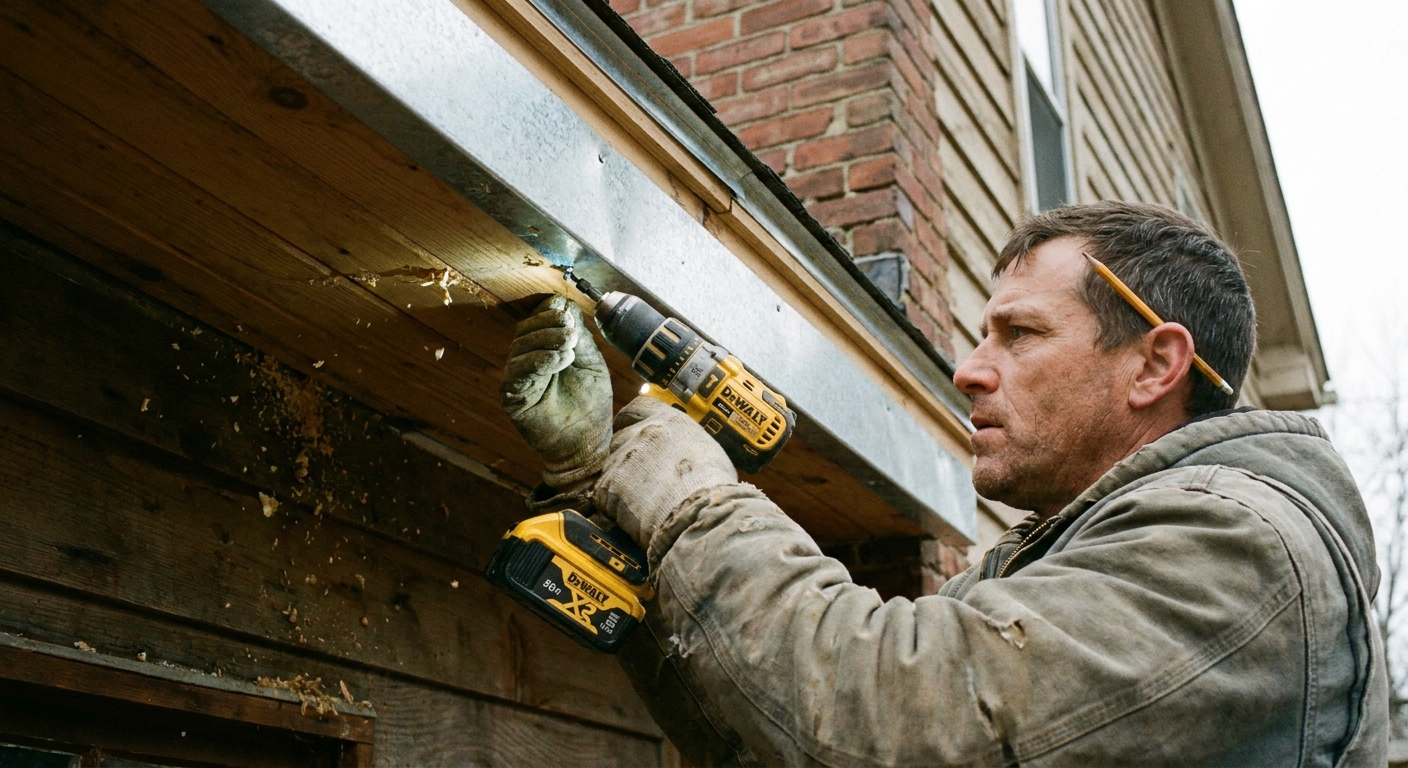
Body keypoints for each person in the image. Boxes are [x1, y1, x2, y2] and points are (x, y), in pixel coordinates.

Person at [500, 201, 1386, 765]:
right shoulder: (1053, 568)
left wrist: (691, 503)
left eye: (1021, 334)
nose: (970, 368)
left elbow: (880, 718)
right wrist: (591, 479)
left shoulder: (1242, 551)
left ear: (1156, 364)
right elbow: (769, 733)